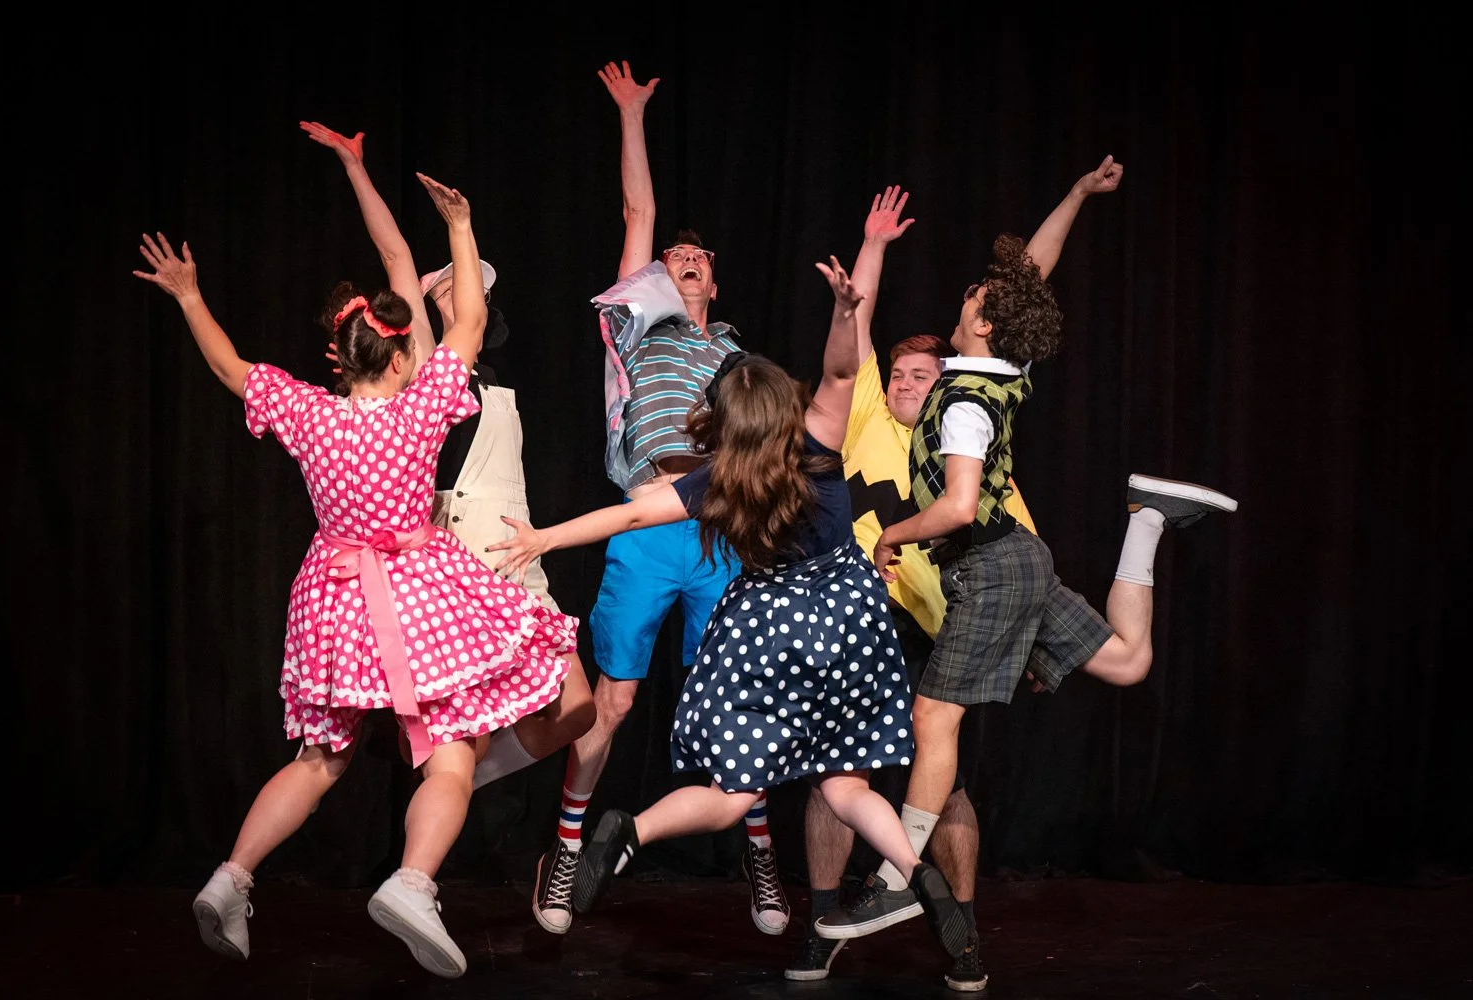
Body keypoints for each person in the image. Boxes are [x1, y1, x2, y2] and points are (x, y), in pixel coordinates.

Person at [133, 173, 577, 980]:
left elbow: (232, 369)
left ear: (342, 356)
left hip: (334, 601)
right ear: (401, 355)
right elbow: (470, 320)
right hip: (418, 592)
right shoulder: (421, 407)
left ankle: (231, 876)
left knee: (320, 759)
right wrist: (461, 227)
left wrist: (190, 296)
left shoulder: (310, 412)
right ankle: (412, 882)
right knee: (452, 755)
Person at [492, 256, 972, 963]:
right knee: (844, 783)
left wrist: (544, 537)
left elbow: (629, 517)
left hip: (768, 627)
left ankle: (632, 830)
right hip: (847, 620)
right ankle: (915, 872)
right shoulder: (815, 444)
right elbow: (842, 371)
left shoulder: (718, 478)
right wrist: (846, 311)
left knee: (732, 789)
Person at [814, 216, 1237, 987]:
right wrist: (1077, 196)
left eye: (975, 296)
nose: (968, 295)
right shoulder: (999, 372)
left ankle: (895, 881)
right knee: (1129, 662)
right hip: (1020, 564)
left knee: (932, 719)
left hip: (992, 567)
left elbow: (959, 508)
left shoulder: (962, 401)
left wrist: (892, 537)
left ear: (982, 325)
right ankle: (1146, 520)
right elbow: (1026, 283)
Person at [791, 161, 1125, 991]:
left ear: (950, 371)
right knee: (838, 776)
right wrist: (870, 252)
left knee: (944, 769)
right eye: (899, 373)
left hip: (954, 610)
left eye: (923, 372)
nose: (909, 380)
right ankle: (827, 925)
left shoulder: (964, 422)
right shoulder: (869, 416)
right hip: (867, 617)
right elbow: (858, 331)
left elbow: (991, 530)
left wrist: (1027, 635)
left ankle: (957, 930)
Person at [526, 60, 785, 938]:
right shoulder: (638, 325)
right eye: (674, 259)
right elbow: (638, 213)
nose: (686, 262)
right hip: (644, 518)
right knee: (616, 700)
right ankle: (567, 848)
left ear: (716, 283)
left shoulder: (737, 359)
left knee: (739, 699)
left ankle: (758, 849)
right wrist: (632, 115)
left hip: (719, 531)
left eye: (699, 260)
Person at [301, 123, 596, 823]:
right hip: (454, 566)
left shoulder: (498, 379)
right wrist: (355, 167)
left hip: (515, 552)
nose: (463, 292)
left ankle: (460, 785)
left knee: (578, 709)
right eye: (453, 284)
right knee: (464, 738)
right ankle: (444, 798)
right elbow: (395, 253)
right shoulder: (428, 367)